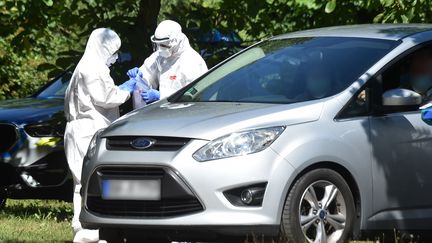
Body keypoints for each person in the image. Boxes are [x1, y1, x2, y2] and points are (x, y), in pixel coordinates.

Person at [64, 28, 136, 243]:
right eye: (113, 51)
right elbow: (105, 97)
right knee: (88, 181)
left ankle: (90, 228)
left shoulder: (87, 66)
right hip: (86, 131)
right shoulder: (92, 68)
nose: (115, 56)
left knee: (84, 181)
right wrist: (127, 89)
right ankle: (88, 230)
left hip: (82, 130)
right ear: (104, 47)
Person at [127, 20, 208, 104]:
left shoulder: (192, 61)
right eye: (158, 44)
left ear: (175, 42)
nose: (160, 49)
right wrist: (139, 75)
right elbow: (148, 72)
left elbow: (193, 93)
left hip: (186, 112)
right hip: (164, 111)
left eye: (163, 45)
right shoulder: (160, 55)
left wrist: (161, 96)